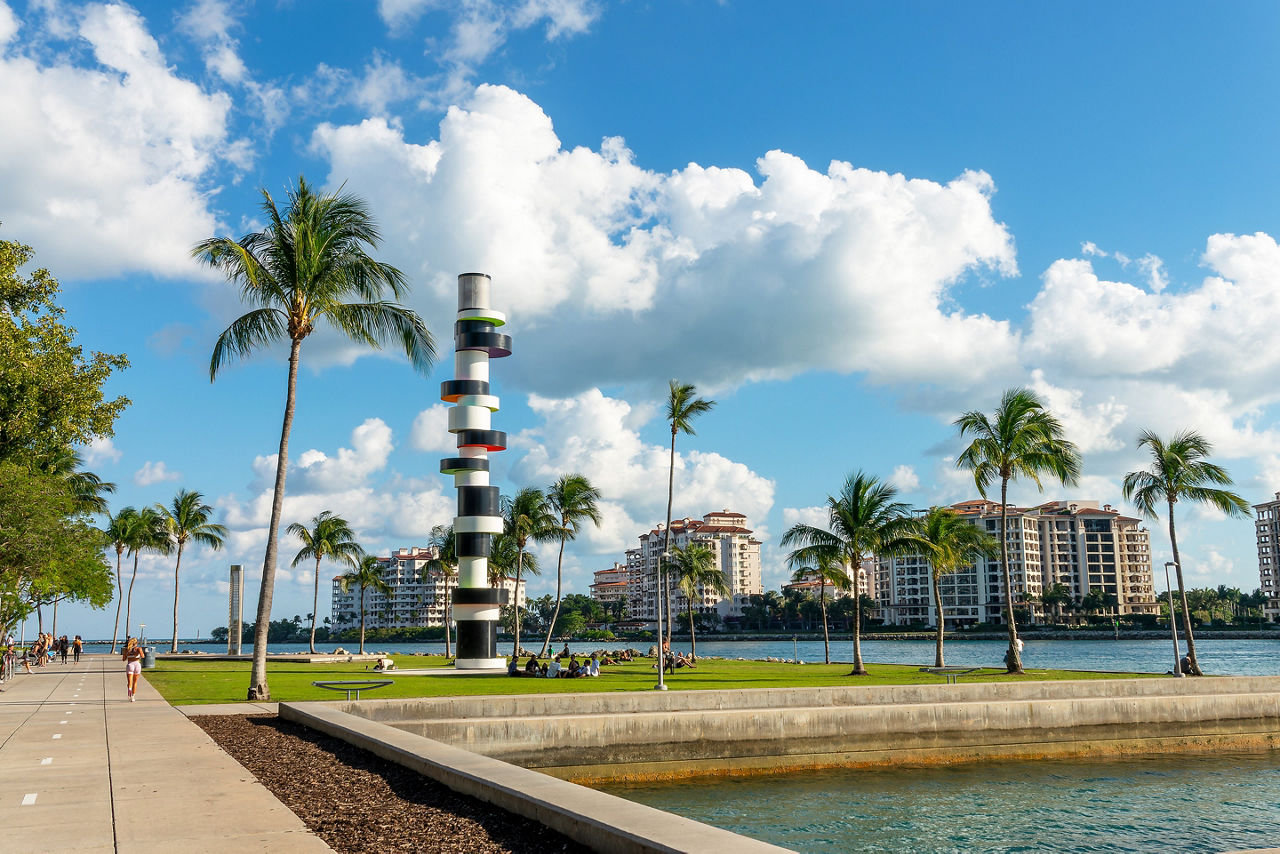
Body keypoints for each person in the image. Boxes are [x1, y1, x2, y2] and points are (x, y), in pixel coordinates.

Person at [122, 637, 144, 701]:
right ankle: (133, 696)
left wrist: (129, 655)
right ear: (136, 643)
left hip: (130, 665)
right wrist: (139, 653)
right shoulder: (138, 649)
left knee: (130, 682)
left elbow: (123, 659)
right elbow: (143, 656)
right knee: (135, 682)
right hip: (137, 664)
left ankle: (129, 693)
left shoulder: (127, 650)